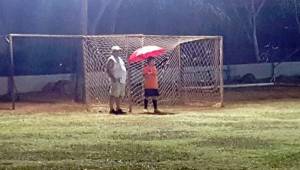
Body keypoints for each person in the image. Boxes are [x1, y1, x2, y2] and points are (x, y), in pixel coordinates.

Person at [106, 46, 127, 114]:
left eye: (118, 51)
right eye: (116, 51)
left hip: (122, 80)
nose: (118, 52)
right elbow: (108, 70)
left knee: (120, 95)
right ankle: (112, 109)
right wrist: (113, 78)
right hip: (116, 80)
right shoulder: (111, 59)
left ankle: (118, 108)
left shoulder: (120, 59)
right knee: (114, 94)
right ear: (113, 51)